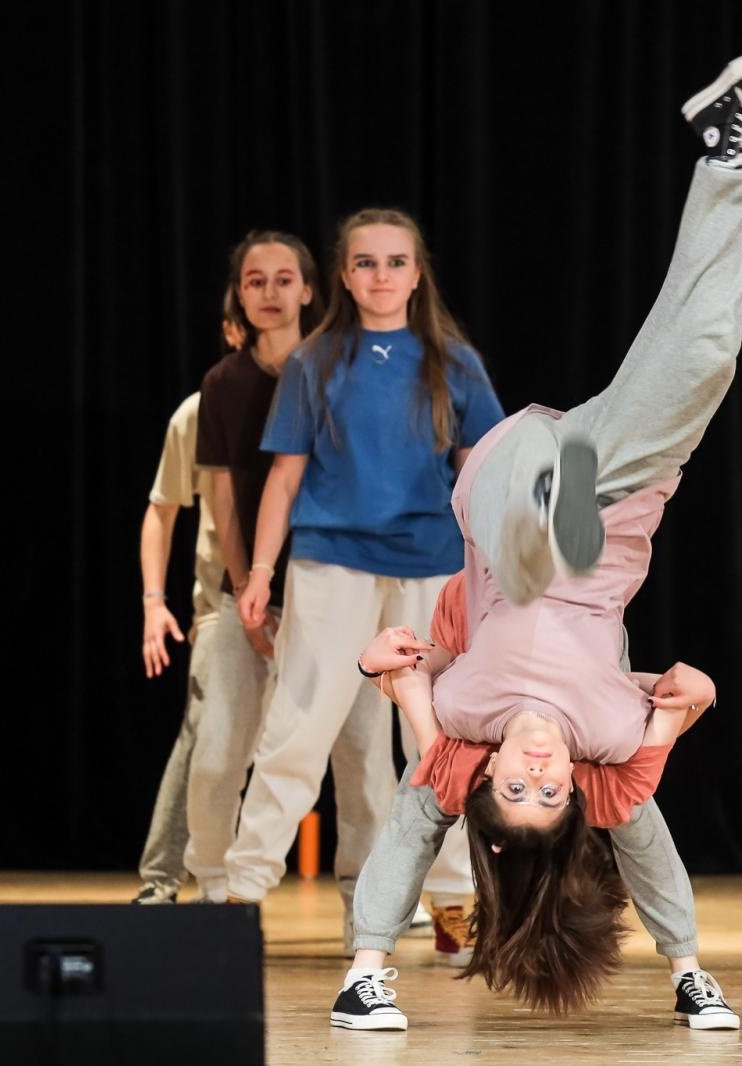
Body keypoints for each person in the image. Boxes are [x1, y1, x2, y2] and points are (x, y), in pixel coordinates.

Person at [326, 46, 742, 1026]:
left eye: (516, 788)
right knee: (706, 355)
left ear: (488, 781)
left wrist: (366, 969)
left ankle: (555, 512)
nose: (537, 773)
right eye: (552, 793)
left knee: (539, 549)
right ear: (574, 795)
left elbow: (412, 826)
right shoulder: (613, 746)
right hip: (616, 490)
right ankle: (726, 156)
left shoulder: (458, 727)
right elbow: (648, 844)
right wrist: (688, 968)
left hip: (512, 501)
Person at [222, 206, 507, 954]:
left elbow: (485, 477)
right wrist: (260, 572)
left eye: (396, 262)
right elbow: (284, 478)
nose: (381, 276)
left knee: (439, 735)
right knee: (299, 726)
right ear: (345, 276)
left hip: (432, 566)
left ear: (417, 275)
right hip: (332, 562)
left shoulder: (454, 363)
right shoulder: (316, 361)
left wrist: (497, 575)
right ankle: (241, 893)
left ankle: (453, 898)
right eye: (366, 263)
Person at [187, 229, 415, 908]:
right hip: (250, 595)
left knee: (363, 759)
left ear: (310, 289)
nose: (269, 292)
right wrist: (247, 587)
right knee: (220, 752)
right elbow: (223, 498)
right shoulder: (223, 385)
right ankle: (216, 888)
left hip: (343, 590)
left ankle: (364, 904)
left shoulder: (341, 368)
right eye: (254, 281)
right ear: (239, 293)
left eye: (284, 279)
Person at [132, 312, 242, 903]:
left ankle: (381, 898)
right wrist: (155, 602)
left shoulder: (318, 402)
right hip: (224, 602)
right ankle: (163, 878)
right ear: (231, 329)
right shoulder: (198, 412)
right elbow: (162, 507)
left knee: (350, 746)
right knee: (205, 736)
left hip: (311, 598)